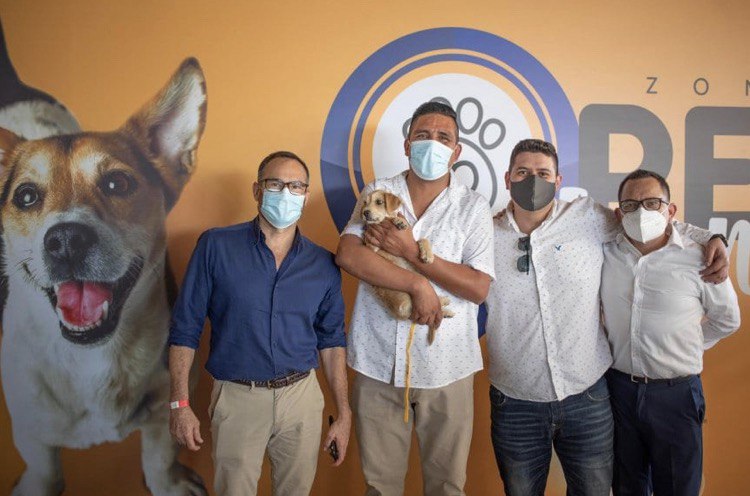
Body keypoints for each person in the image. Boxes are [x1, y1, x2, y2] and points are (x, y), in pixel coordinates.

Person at [485, 139, 728, 496]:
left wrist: (710, 236)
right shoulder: (482, 232)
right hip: (515, 399)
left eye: (543, 173)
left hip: (588, 398)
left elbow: (651, 220)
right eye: (523, 172)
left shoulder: (587, 218)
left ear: (558, 180)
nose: (533, 181)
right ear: (507, 178)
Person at [168, 151, 351, 496]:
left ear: (306, 195)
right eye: (275, 184)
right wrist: (179, 403)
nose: (286, 193)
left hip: (301, 398)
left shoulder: (324, 264)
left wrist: (344, 414)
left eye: (295, 186)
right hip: (238, 397)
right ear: (257, 190)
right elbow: (185, 327)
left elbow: (332, 341)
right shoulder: (215, 246)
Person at [336, 101, 494, 496]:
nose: (432, 143)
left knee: (447, 486)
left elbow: (477, 286)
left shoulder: (472, 207)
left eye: (444, 137)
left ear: (456, 151)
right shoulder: (379, 192)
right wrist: (418, 286)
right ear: (407, 145)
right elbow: (349, 254)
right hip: (377, 363)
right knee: (380, 487)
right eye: (423, 135)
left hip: (448, 368)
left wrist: (410, 252)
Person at [601, 169, 741, 496]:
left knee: (678, 487)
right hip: (619, 391)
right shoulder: (606, 252)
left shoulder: (700, 257)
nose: (642, 212)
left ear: (670, 210)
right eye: (631, 205)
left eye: (652, 203)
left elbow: (727, 320)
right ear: (619, 213)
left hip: (676, 394)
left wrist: (685, 345)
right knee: (626, 485)